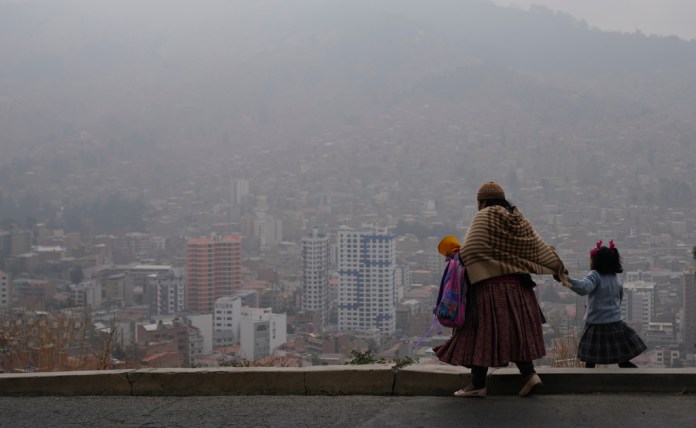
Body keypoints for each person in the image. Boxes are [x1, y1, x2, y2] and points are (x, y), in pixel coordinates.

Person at [434, 181, 568, 398]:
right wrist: (557, 267)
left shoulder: (484, 216)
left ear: (482, 201)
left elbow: (470, 250)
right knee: (516, 333)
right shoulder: (518, 219)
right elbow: (536, 247)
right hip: (520, 289)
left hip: (490, 289)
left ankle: (478, 384)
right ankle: (529, 375)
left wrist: (458, 257)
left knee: (481, 334)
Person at [564, 240, 646, 368]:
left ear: (597, 262)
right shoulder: (615, 278)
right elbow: (619, 298)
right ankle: (638, 379)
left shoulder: (595, 275)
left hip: (596, 325)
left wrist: (567, 279)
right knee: (623, 360)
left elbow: (584, 288)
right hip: (616, 324)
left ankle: (588, 385)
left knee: (590, 362)